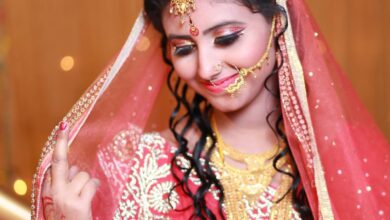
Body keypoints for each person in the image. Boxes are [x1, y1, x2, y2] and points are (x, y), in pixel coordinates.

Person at [31, 0, 390, 219]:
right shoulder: (136, 165)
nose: (206, 69)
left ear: (276, 25)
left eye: (227, 38)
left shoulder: (349, 159)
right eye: (184, 49)